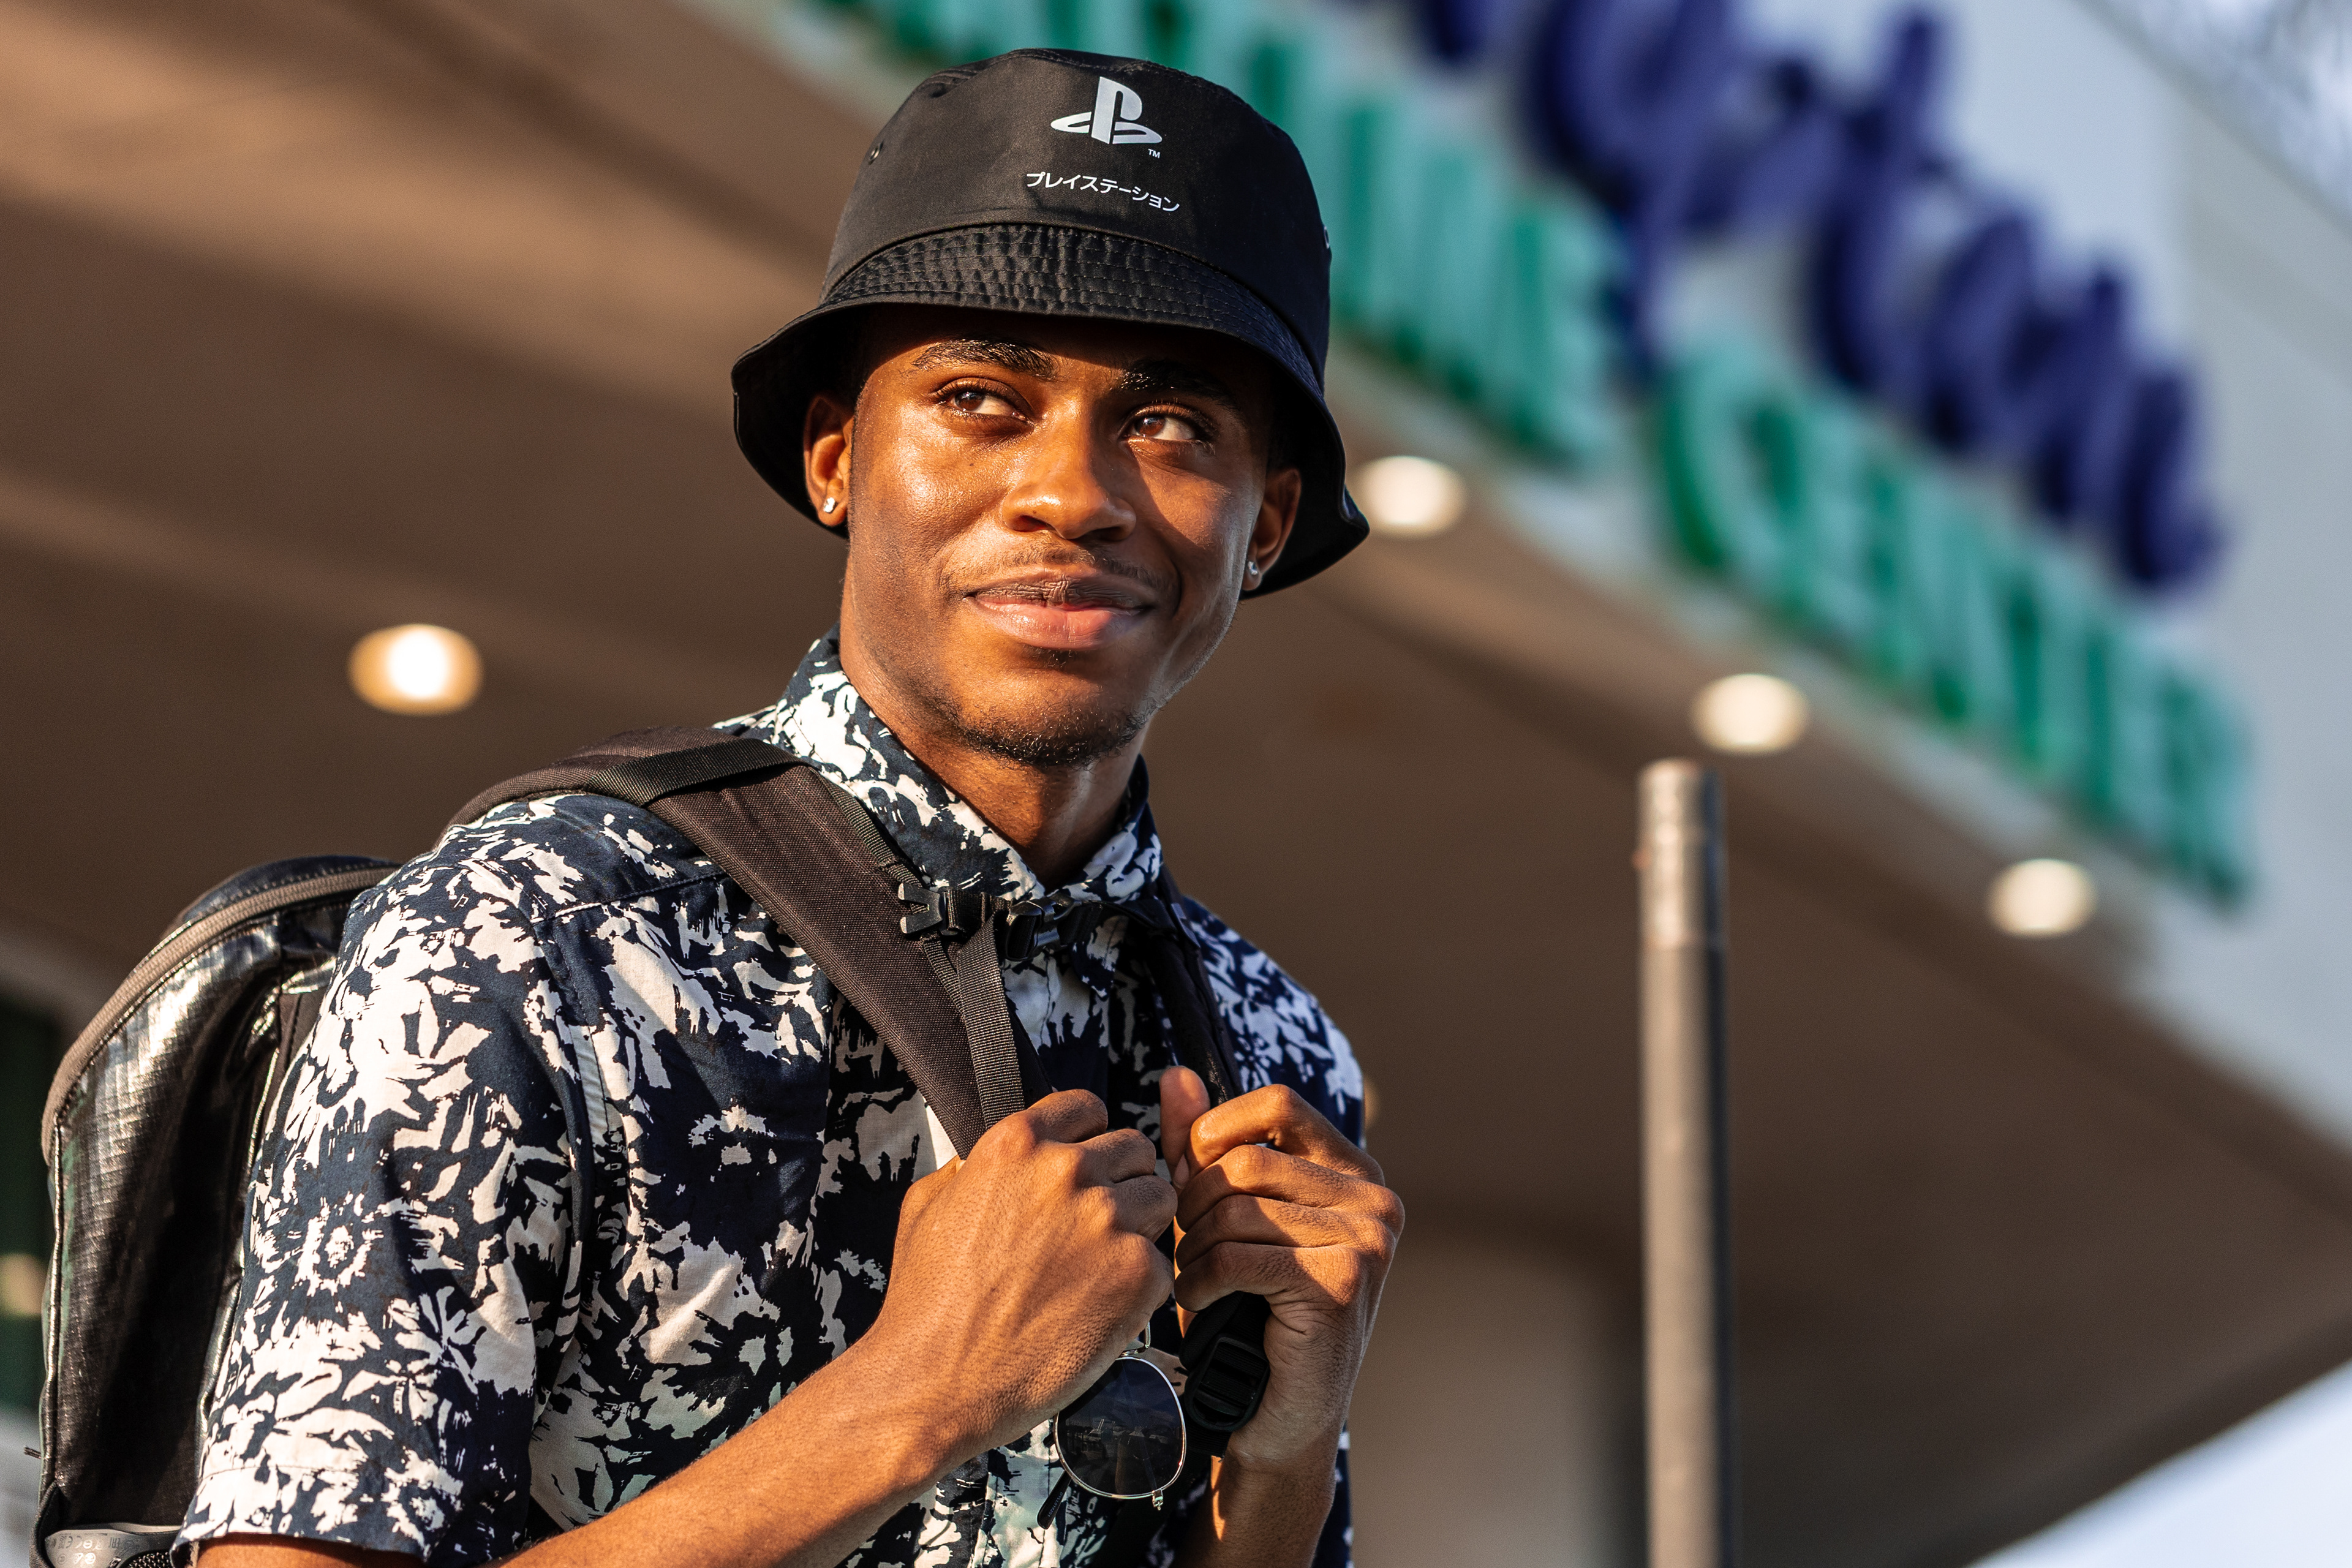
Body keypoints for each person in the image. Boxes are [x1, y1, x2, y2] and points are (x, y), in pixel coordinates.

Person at [182, 47, 1401, 1568]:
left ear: (1265, 522)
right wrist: (919, 1391)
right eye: (979, 398)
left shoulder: (1271, 1047)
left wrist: (1281, 1470)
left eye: (1173, 427)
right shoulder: (538, 930)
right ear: (839, 457)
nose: (1071, 492)